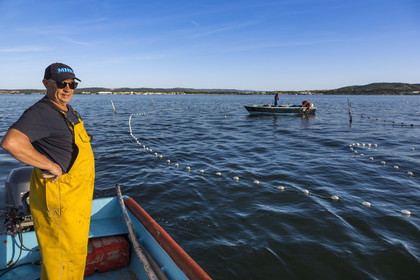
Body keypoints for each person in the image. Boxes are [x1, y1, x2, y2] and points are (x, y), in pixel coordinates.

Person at [1, 63, 95, 280]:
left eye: (72, 84)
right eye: (61, 84)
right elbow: (11, 142)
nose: (67, 89)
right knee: (60, 258)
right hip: (60, 198)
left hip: (76, 198)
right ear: (46, 83)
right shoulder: (40, 112)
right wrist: (50, 165)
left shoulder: (66, 110)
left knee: (74, 253)